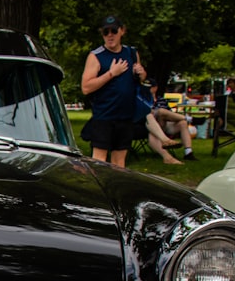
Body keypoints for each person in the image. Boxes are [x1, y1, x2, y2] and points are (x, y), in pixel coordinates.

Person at [81, 15, 147, 167]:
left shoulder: (131, 53)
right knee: (99, 161)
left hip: (126, 116)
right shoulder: (96, 56)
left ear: (122, 31)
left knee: (119, 162)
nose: (110, 35)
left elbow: (141, 79)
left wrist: (141, 73)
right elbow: (86, 87)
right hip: (104, 116)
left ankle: (117, 189)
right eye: (106, 32)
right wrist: (111, 74)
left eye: (114, 31)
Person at [148, 81, 196, 161]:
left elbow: (170, 114)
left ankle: (188, 152)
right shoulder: (143, 100)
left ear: (155, 88)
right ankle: (189, 119)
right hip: (153, 125)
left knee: (182, 123)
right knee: (161, 111)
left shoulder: (162, 100)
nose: (148, 89)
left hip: (166, 124)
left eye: (150, 87)